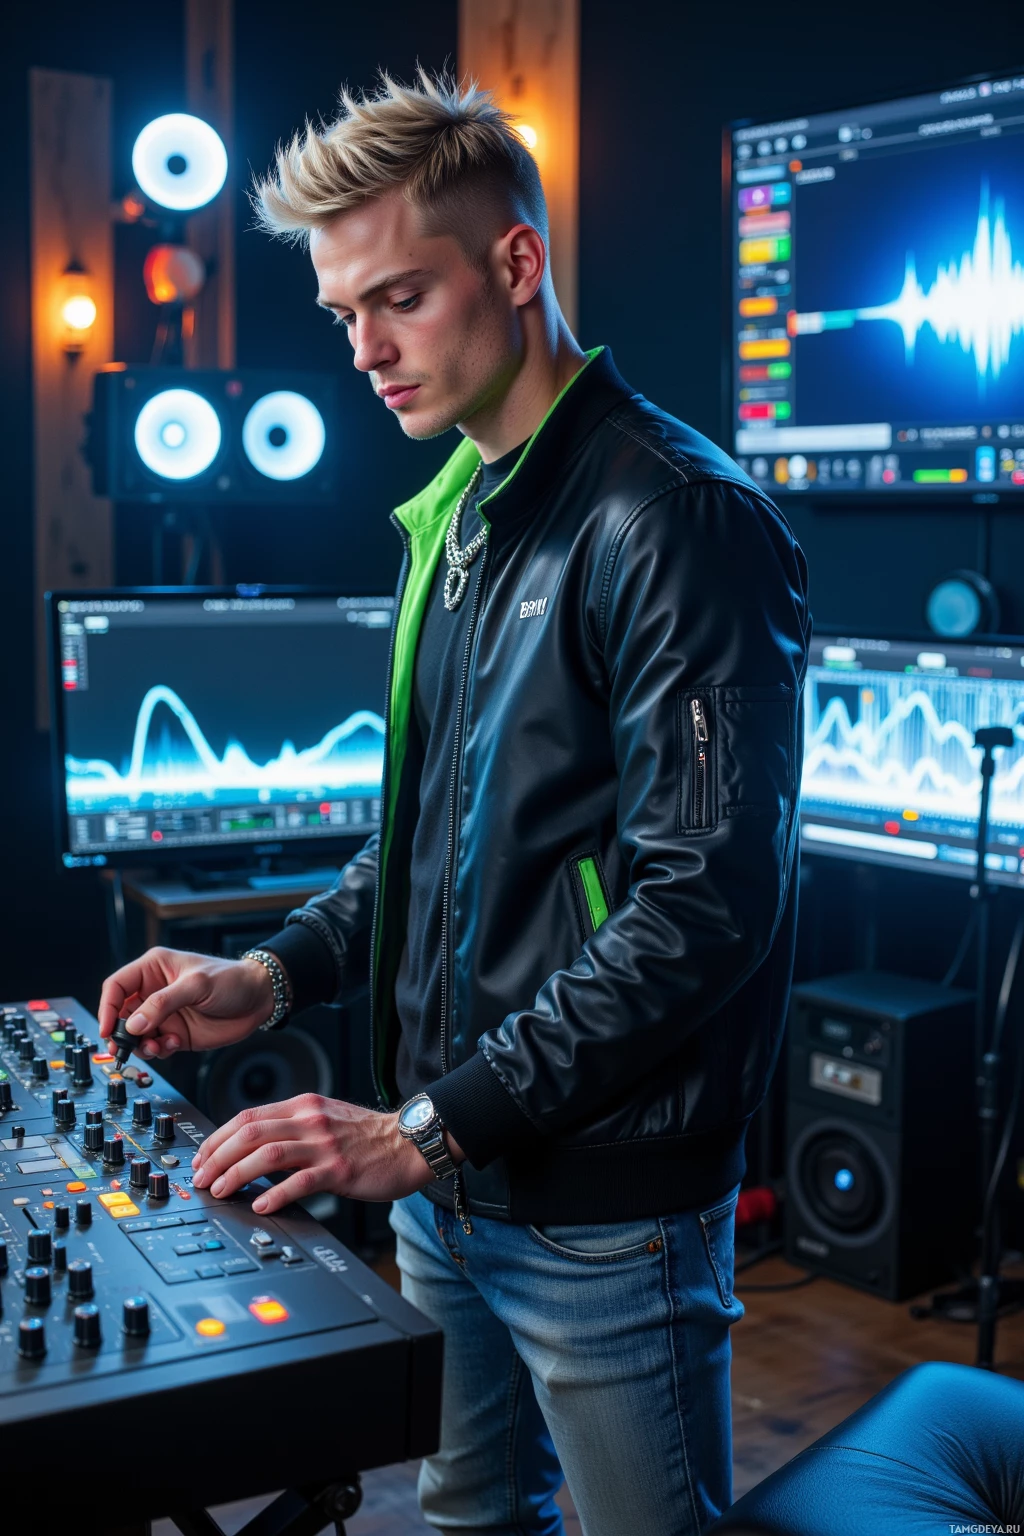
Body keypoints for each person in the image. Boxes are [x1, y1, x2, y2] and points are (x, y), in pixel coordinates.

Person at [99, 71, 810, 1536]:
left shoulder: (674, 517)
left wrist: (423, 1128)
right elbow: (430, 838)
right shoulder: (462, 515)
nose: (364, 351)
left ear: (517, 263)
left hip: (603, 1209)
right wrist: (271, 971)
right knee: (473, 1517)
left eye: (399, 300)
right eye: (343, 314)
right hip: (448, 1176)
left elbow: (705, 904)